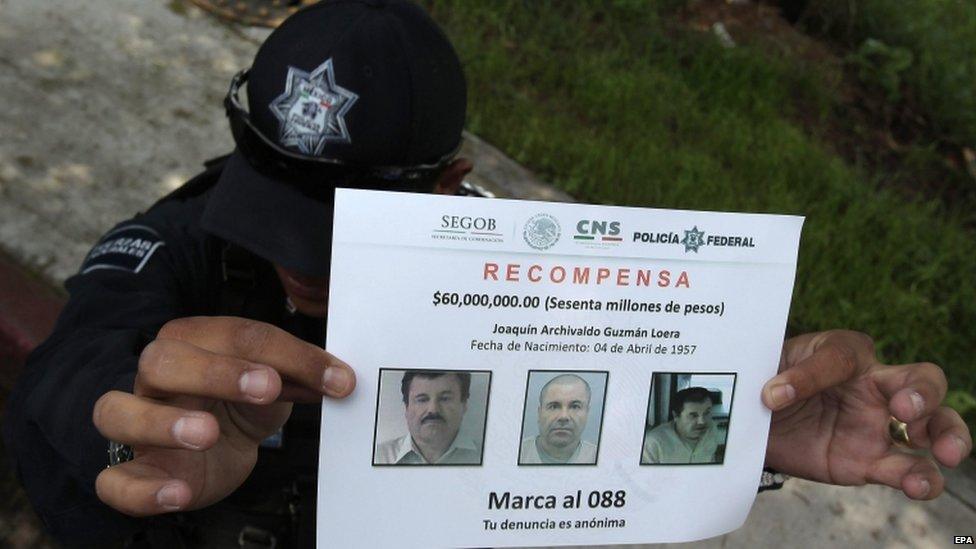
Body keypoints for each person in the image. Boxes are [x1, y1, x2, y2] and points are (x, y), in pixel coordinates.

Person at [0, 0, 971, 546]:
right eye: (275, 208)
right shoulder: (184, 241)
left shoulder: (521, 284)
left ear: (451, 183)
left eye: (342, 227)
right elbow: (82, 355)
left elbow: (587, 423)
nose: (295, 261)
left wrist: (749, 425)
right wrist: (132, 428)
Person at [374, 371, 481, 465]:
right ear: (407, 408)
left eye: (445, 398)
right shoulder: (379, 457)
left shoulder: (487, 457)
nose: (433, 409)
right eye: (422, 399)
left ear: (464, 405)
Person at [520, 374, 599, 465]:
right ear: (539, 413)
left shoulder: (600, 457)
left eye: (575, 406)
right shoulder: (516, 452)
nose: (563, 416)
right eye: (554, 406)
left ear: (587, 413)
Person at [642, 387, 724, 464]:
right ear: (675, 416)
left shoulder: (712, 429)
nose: (702, 422)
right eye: (693, 415)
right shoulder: (654, 443)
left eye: (706, 413)